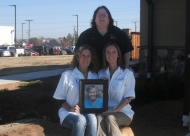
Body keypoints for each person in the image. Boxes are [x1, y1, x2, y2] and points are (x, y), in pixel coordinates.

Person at [53, 45, 99, 136]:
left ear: (91, 59)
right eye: (83, 55)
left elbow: (96, 97)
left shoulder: (94, 76)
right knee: (80, 120)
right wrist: (70, 108)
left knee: (93, 119)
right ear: (78, 58)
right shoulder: (67, 75)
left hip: (86, 112)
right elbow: (58, 99)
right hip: (68, 113)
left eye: (88, 56)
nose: (85, 58)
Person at [97, 42, 135, 136]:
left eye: (114, 52)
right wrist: (100, 85)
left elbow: (128, 98)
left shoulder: (127, 73)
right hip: (105, 111)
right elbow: (96, 96)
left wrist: (115, 110)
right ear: (105, 55)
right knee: (98, 118)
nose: (111, 55)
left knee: (110, 118)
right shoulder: (100, 73)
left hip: (123, 113)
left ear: (118, 55)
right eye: (108, 52)